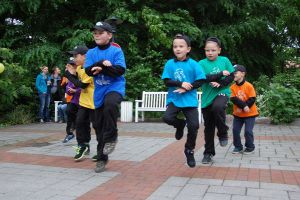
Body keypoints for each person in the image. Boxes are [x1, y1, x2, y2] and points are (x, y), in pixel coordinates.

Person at [84, 21, 126, 173]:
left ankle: (112, 137)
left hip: (115, 88)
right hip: (99, 92)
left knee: (110, 104)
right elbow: (88, 71)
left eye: (100, 32)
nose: (96, 35)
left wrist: (101, 68)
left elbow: (119, 71)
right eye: (95, 32)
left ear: (109, 35)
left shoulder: (116, 51)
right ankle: (102, 158)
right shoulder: (91, 53)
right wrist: (103, 64)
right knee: (98, 126)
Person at [162, 34, 206, 168]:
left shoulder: (194, 64)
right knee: (167, 118)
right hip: (174, 99)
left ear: (188, 49)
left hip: (189, 101)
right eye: (175, 46)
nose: (177, 49)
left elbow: (201, 80)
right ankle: (180, 124)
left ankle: (189, 150)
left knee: (194, 126)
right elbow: (166, 81)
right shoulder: (170, 63)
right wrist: (180, 83)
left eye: (181, 46)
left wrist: (187, 88)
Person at [199, 37, 235, 164]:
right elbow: (203, 78)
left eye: (213, 50)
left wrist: (220, 84)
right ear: (205, 51)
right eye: (207, 50)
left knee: (218, 107)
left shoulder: (224, 60)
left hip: (222, 92)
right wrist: (219, 74)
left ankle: (223, 132)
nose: (210, 53)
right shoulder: (201, 64)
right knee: (208, 128)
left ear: (219, 50)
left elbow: (232, 75)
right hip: (207, 98)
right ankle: (208, 153)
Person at [65, 45, 97, 161]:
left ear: (84, 56)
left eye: (75, 56)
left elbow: (82, 84)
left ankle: (101, 150)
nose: (73, 58)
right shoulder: (79, 68)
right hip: (83, 102)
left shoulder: (91, 68)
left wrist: (69, 75)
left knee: (97, 126)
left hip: (94, 103)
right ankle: (82, 146)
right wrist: (72, 73)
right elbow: (77, 81)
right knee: (79, 123)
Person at [230, 65, 259, 154]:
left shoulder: (249, 86)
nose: (233, 74)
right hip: (238, 114)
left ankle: (250, 147)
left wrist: (246, 106)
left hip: (250, 114)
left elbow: (252, 98)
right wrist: (243, 106)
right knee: (235, 130)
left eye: (235, 73)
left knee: (248, 131)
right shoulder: (232, 87)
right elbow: (233, 99)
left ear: (243, 74)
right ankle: (238, 147)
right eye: (232, 73)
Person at [62, 58, 81, 143]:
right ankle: (70, 133)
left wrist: (76, 90)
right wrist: (69, 91)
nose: (70, 67)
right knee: (69, 112)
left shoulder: (81, 73)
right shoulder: (69, 76)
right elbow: (66, 87)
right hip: (73, 99)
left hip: (83, 100)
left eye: (72, 65)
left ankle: (82, 140)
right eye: (69, 65)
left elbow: (86, 87)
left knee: (81, 118)